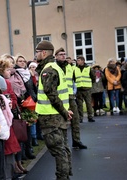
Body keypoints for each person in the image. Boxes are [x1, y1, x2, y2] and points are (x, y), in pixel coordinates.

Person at [35, 40, 73, 180]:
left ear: (44, 53)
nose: (36, 54)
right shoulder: (55, 67)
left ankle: (62, 177)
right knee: (63, 148)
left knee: (58, 150)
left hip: (51, 116)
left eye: (37, 52)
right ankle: (66, 175)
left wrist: (63, 111)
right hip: (57, 115)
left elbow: (52, 95)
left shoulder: (48, 70)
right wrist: (64, 111)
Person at [55, 49, 87, 149]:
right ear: (56, 56)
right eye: (60, 54)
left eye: (64, 54)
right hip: (59, 97)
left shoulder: (70, 67)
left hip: (70, 96)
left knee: (75, 119)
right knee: (60, 121)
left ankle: (76, 140)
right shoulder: (54, 67)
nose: (63, 56)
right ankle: (61, 143)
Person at [74, 55, 96, 122]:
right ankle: (80, 118)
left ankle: (90, 117)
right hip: (79, 88)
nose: (77, 62)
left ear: (83, 61)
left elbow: (93, 77)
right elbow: (74, 78)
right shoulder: (75, 69)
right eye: (77, 60)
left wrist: (90, 85)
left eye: (79, 60)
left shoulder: (88, 68)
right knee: (79, 105)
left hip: (87, 89)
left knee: (88, 104)